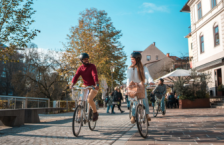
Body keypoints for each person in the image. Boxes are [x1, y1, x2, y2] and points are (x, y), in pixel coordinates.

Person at [70, 53, 99, 121]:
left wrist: (96, 84)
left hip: (93, 86)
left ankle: (95, 113)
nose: (86, 60)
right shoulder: (80, 68)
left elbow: (94, 75)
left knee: (89, 99)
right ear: (81, 60)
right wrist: (72, 84)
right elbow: (76, 76)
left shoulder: (92, 66)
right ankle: (79, 117)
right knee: (80, 101)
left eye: (87, 59)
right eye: (84, 59)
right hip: (85, 86)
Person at [127, 52, 154, 124]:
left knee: (145, 99)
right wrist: (128, 86)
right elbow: (129, 78)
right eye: (131, 59)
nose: (131, 61)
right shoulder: (130, 68)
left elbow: (147, 74)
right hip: (133, 87)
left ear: (138, 59)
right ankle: (133, 116)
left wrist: (150, 80)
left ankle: (147, 114)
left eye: (132, 59)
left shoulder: (144, 68)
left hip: (141, 86)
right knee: (135, 102)